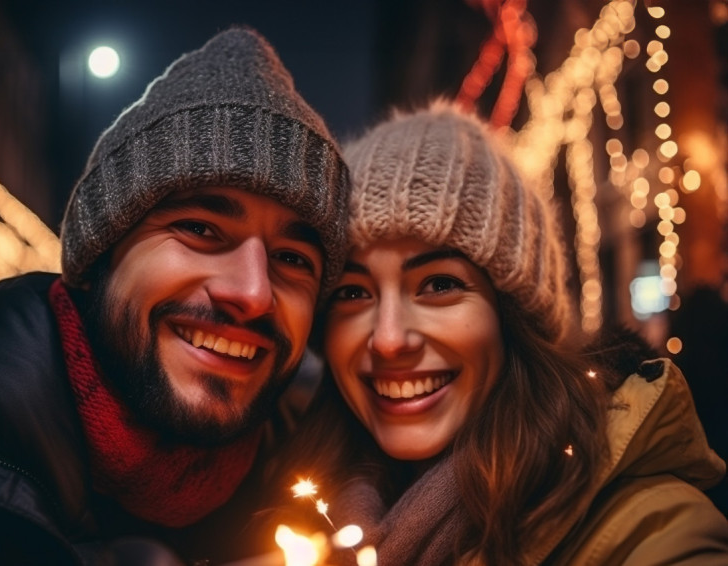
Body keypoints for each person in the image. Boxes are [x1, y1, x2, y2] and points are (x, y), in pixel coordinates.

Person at [0, 27, 350, 565]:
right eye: (200, 229)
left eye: (293, 259)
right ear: (97, 257)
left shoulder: (324, 508)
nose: (252, 293)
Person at [263, 100, 728, 565]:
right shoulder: (293, 515)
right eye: (352, 293)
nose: (388, 339)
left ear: (513, 318)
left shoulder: (638, 524)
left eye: (439, 284)